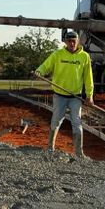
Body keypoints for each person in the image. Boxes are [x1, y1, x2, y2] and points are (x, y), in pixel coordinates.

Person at [34, 30, 95, 158]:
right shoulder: (57, 54)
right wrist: (39, 71)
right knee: (56, 121)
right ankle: (50, 148)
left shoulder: (84, 57)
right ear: (65, 42)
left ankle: (79, 153)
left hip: (75, 97)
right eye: (69, 41)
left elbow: (88, 77)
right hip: (59, 96)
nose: (72, 43)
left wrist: (89, 95)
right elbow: (46, 66)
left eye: (74, 41)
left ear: (78, 41)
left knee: (77, 123)